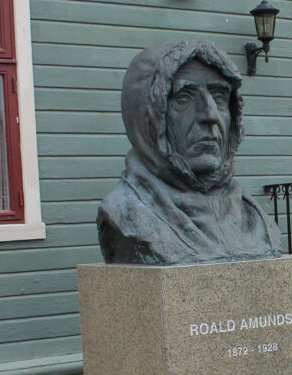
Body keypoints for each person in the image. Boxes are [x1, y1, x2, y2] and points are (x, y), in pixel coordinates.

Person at [97, 38, 282, 264]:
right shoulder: (127, 214)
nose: (210, 115)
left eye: (219, 97)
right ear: (147, 117)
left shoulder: (255, 221)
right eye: (184, 97)